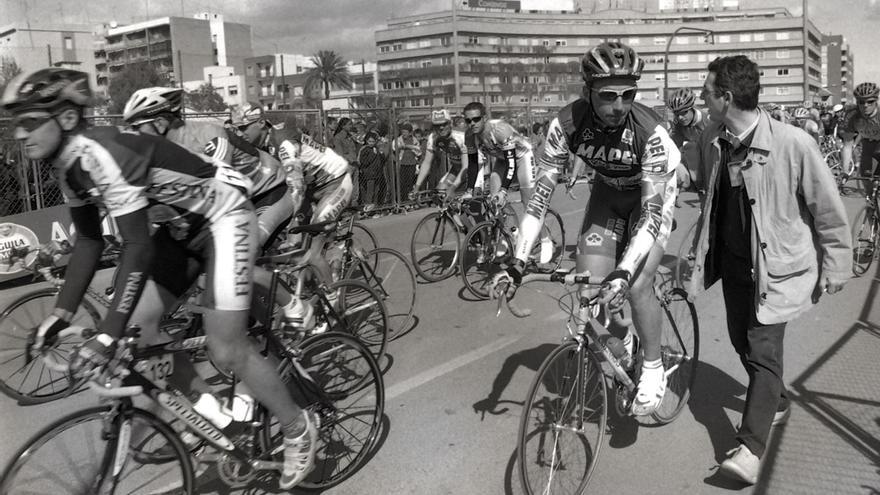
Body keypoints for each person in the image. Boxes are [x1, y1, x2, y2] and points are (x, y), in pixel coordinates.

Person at [4, 68, 316, 489]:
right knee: (140, 331)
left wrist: (105, 335)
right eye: (15, 122)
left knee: (226, 348)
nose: (19, 134)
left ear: (64, 118)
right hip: (182, 226)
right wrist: (59, 315)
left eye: (29, 120)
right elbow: (89, 243)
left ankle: (298, 428)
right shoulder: (66, 166)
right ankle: (215, 415)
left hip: (225, 220)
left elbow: (136, 247)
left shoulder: (102, 154)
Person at [688, 55, 851, 485]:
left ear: (726, 97)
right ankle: (776, 401)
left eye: (708, 92)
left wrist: (836, 263)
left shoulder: (794, 144)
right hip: (733, 266)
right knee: (744, 344)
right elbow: (706, 196)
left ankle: (750, 448)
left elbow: (828, 210)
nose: (704, 98)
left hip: (775, 271)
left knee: (762, 352)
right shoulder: (711, 138)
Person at [495, 41, 681, 417]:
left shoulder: (651, 132)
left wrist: (624, 272)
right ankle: (624, 337)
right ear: (587, 92)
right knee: (589, 285)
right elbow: (538, 199)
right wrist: (517, 261)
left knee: (638, 282)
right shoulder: (565, 125)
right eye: (608, 95)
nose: (619, 106)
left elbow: (650, 214)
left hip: (651, 199)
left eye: (628, 95)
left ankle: (653, 367)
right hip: (609, 193)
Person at [121, 90, 288, 247]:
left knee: (244, 247)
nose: (132, 134)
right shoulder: (159, 150)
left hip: (269, 191)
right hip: (238, 198)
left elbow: (221, 189)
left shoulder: (208, 136)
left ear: (160, 124)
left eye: (136, 127)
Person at [411, 109, 480, 198]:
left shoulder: (460, 137)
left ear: (450, 123)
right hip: (456, 168)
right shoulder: (433, 138)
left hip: (475, 167)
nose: (441, 128)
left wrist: (452, 188)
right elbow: (426, 163)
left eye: (444, 124)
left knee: (472, 201)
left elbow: (466, 166)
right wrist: (417, 187)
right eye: (437, 125)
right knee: (441, 193)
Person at [840, 82, 880, 197]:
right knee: (866, 180)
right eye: (861, 102)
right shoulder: (852, 115)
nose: (865, 105)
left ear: (876, 101)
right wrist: (845, 171)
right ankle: (871, 208)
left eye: (870, 101)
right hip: (868, 145)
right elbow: (847, 145)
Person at [666, 87, 707, 191]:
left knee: (691, 148)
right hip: (700, 166)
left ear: (692, 107)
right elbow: (675, 148)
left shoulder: (708, 119)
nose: (680, 117)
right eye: (676, 113)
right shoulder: (678, 124)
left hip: (712, 156)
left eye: (683, 112)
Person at [333, 117, 360, 204]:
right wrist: (350, 159)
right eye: (349, 124)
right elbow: (340, 154)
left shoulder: (350, 137)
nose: (351, 126)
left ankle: (354, 204)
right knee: (346, 187)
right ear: (343, 126)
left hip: (355, 164)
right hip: (347, 165)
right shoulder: (338, 137)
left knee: (355, 187)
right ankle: (346, 206)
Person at [357, 131, 386, 206]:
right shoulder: (365, 149)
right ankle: (368, 205)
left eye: (373, 141)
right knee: (370, 191)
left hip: (377, 173)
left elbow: (382, 160)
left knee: (376, 191)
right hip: (369, 174)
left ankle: (374, 206)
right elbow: (364, 162)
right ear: (366, 141)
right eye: (370, 141)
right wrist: (373, 154)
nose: (371, 143)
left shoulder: (376, 148)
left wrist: (381, 153)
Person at [393, 122, 422, 196]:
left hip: (412, 164)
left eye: (405, 132)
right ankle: (403, 200)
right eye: (402, 132)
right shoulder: (398, 140)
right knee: (402, 183)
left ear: (410, 133)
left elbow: (418, 152)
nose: (404, 134)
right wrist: (408, 146)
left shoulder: (414, 141)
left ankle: (409, 200)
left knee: (410, 183)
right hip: (402, 164)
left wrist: (407, 146)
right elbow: (394, 147)